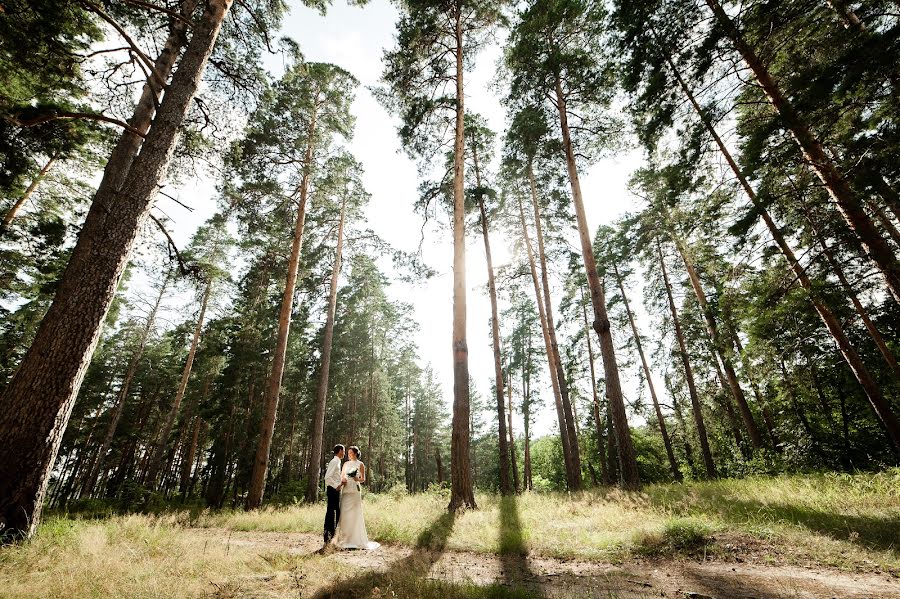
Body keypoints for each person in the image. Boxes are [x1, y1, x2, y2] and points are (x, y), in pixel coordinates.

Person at [334, 446, 379, 550]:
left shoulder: (360, 464)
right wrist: (343, 480)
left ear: (356, 454)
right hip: (346, 490)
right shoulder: (345, 464)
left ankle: (355, 539)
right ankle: (344, 538)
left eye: (351, 453)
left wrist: (356, 478)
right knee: (345, 513)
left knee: (355, 513)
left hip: (355, 490)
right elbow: (342, 476)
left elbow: (363, 479)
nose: (349, 455)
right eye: (348, 453)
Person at [323, 444, 344, 545]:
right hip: (332, 490)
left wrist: (341, 483)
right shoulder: (334, 461)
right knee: (331, 512)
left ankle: (333, 536)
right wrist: (336, 486)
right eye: (343, 451)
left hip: (335, 490)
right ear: (340, 451)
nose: (344, 453)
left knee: (337, 512)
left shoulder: (338, 461)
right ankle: (328, 537)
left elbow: (335, 476)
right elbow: (327, 477)